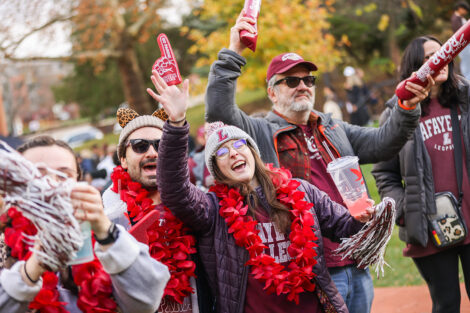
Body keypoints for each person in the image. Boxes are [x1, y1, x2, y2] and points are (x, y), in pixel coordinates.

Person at [202, 11, 433, 313]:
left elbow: (383, 142)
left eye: (308, 79)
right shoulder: (258, 132)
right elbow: (219, 109)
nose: (303, 85)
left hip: (353, 255)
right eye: (292, 80)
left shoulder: (332, 127)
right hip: (313, 268)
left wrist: (406, 106)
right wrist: (234, 51)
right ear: (272, 92)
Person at [147, 72, 374, 313]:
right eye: (222, 153)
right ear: (217, 170)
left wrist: (365, 218)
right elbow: (174, 190)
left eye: (238, 145)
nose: (233, 153)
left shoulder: (301, 191)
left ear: (253, 153)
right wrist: (177, 122)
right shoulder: (213, 210)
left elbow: (345, 227)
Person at [0, 135, 170, 313]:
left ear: (78, 181)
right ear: (15, 186)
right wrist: (32, 269)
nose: (51, 183)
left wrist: (106, 231)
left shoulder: (109, 237)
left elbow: (147, 303)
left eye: (63, 175)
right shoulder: (3, 246)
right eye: (37, 175)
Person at [372, 35, 470, 313]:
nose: (438, 61)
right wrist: (406, 210)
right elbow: (384, 173)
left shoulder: (467, 99)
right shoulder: (398, 113)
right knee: (447, 303)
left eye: (441, 54)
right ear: (415, 67)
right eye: (428, 58)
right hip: (430, 226)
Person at [101, 108, 213, 313]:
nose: (152, 153)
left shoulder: (195, 203)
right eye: (140, 146)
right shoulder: (107, 217)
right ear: (123, 159)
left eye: (160, 145)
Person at [451, 1, 470, 80]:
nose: (466, 12)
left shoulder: (460, 18)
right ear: (460, 9)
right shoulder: (455, 19)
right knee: (466, 64)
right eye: (465, 10)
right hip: (463, 45)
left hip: (466, 44)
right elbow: (460, 33)